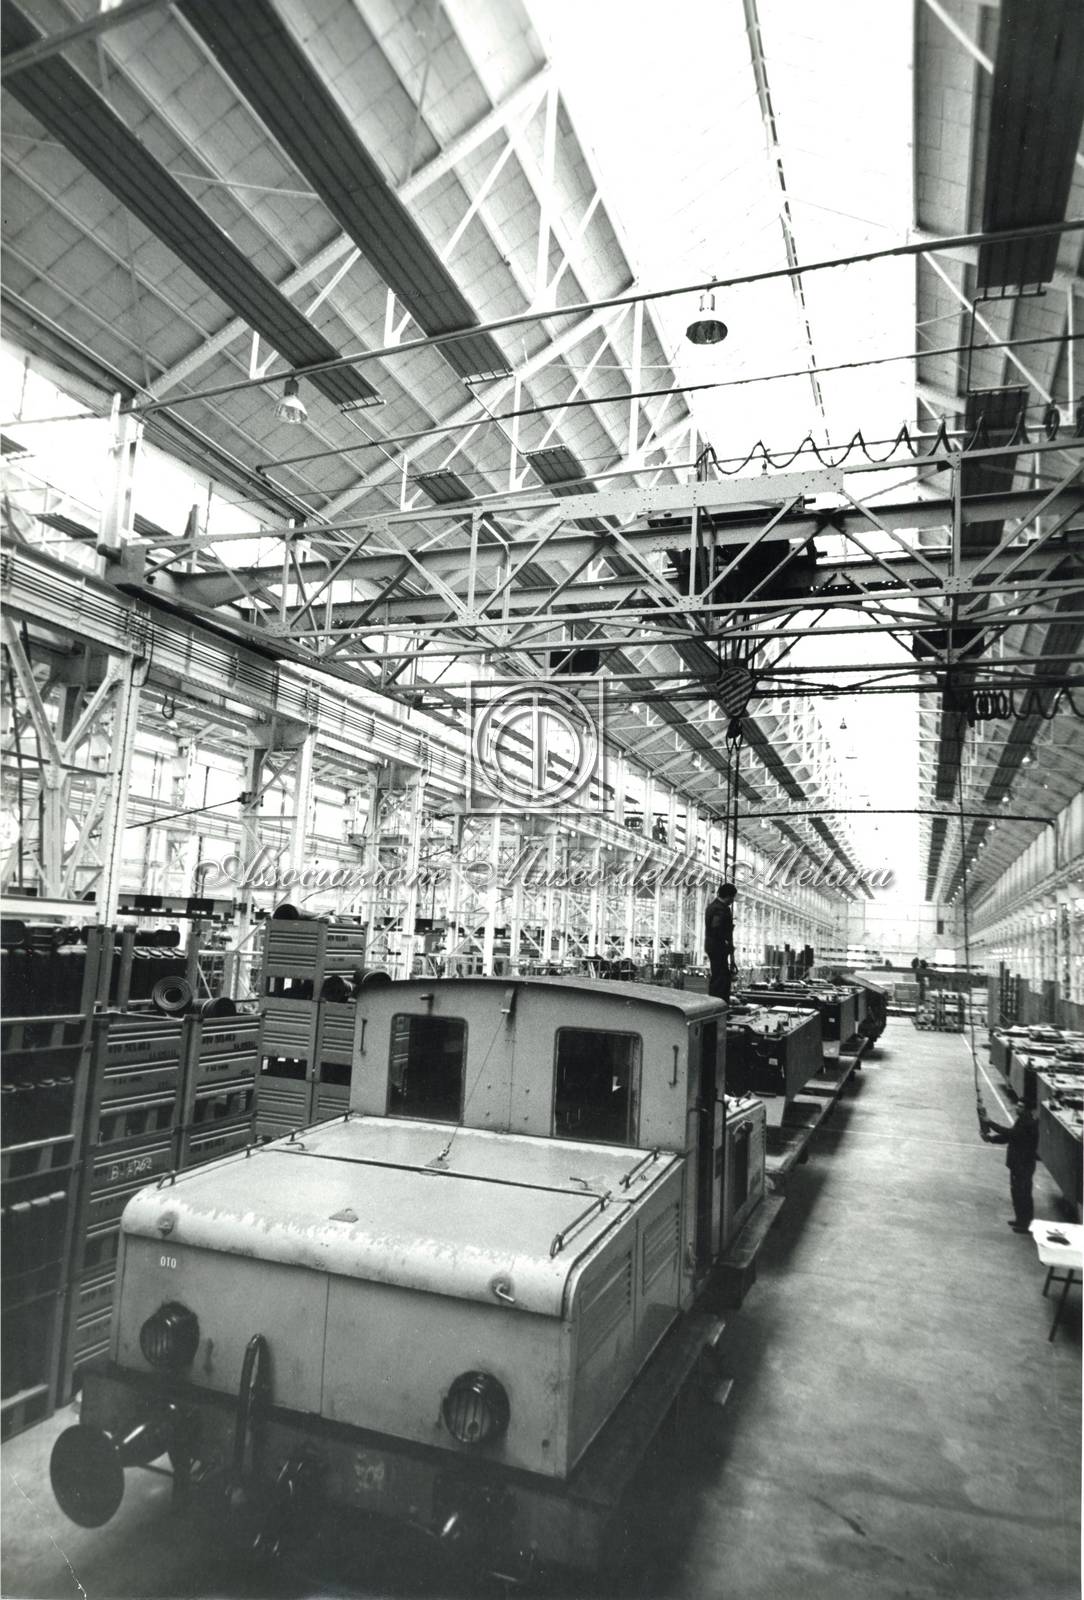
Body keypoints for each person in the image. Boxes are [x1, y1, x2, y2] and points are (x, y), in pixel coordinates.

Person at [980, 1103, 1040, 1232]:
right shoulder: (1022, 1121)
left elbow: (1011, 1134)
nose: (1017, 1107)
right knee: (1017, 1192)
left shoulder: (1028, 1123)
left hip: (1023, 1165)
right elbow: (1009, 1137)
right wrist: (991, 1139)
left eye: (1020, 1106)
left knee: (1023, 1194)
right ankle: (1020, 1219)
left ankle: (1025, 1224)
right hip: (1018, 1164)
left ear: (1027, 1109)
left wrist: (990, 1122)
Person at [704, 882, 737, 1003]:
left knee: (720, 976)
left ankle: (718, 1004)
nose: (732, 900)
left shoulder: (713, 906)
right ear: (728, 896)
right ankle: (719, 1004)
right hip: (717, 948)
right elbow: (716, 929)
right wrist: (727, 945)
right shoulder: (719, 909)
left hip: (715, 946)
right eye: (732, 897)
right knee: (720, 979)